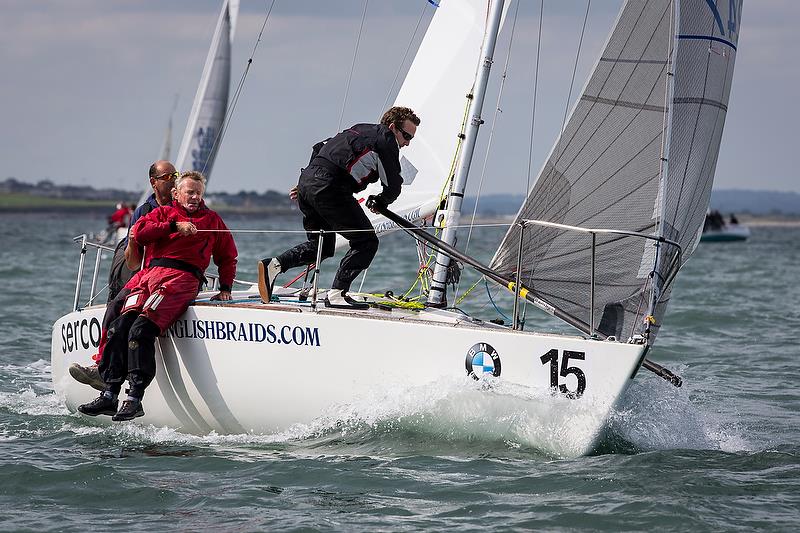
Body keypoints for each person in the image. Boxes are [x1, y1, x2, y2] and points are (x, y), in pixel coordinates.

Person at [77, 171, 238, 421]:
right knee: (120, 328)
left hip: (181, 279)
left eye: (199, 193)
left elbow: (228, 256)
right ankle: (110, 394)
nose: (195, 197)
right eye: (190, 192)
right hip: (148, 276)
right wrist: (174, 226)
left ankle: (134, 398)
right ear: (176, 194)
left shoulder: (212, 220)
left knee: (141, 330)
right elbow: (139, 233)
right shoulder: (163, 213)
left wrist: (225, 287)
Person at [257, 106, 420, 309]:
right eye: (406, 136)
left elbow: (319, 147)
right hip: (330, 187)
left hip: (308, 183)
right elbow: (394, 184)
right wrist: (382, 201)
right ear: (392, 127)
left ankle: (274, 265)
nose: (407, 143)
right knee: (366, 242)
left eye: (410, 138)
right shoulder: (386, 140)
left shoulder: (359, 128)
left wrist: (305, 182)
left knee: (322, 246)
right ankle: (337, 294)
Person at [69, 160, 178, 391]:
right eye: (167, 177)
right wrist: (134, 241)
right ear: (154, 182)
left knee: (138, 320)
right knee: (115, 308)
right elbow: (133, 260)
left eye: (175, 175)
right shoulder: (143, 211)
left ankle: (123, 379)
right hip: (146, 274)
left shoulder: (184, 203)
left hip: (175, 276)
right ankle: (102, 367)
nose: (173, 180)